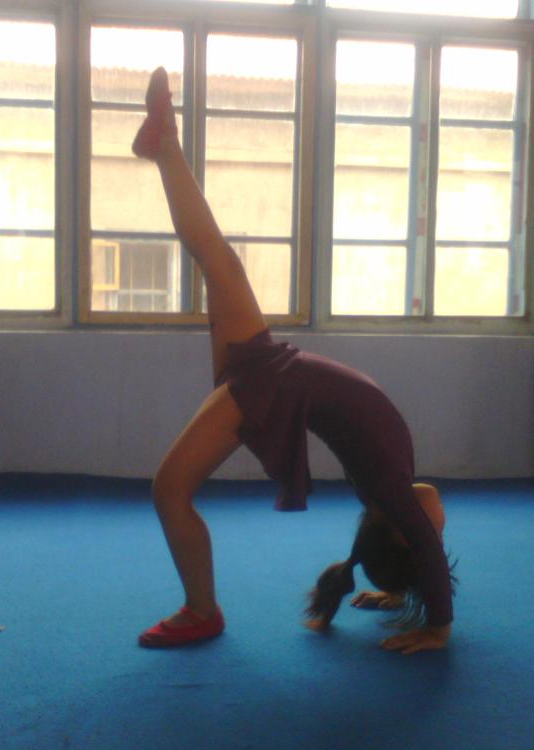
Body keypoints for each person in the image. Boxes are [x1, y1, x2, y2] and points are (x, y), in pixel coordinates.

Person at [132, 67, 454, 655]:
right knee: (220, 261)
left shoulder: (390, 492)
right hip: (281, 369)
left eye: (425, 529)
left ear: (400, 536)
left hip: (280, 386)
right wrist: (403, 594)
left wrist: (437, 624)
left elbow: (426, 540)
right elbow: (423, 529)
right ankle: (165, 148)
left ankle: (202, 612)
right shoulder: (393, 494)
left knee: (169, 489)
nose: (438, 517)